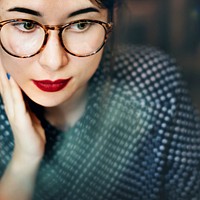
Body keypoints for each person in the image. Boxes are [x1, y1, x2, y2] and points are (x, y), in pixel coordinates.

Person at [0, 0, 199, 199]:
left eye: (81, 24)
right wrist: (23, 164)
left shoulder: (154, 88)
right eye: (26, 25)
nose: (54, 61)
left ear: (113, 18)